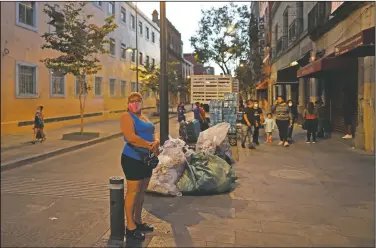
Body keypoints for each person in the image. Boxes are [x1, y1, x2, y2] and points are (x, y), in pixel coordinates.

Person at [120, 92, 160, 240]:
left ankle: (138, 220)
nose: (135, 103)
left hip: (146, 158)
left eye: (138, 100)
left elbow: (153, 131)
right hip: (132, 158)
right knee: (133, 192)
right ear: (128, 103)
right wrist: (149, 145)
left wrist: (156, 141)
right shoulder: (126, 116)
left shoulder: (143, 117)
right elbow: (130, 137)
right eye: (132, 101)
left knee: (142, 191)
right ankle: (130, 227)